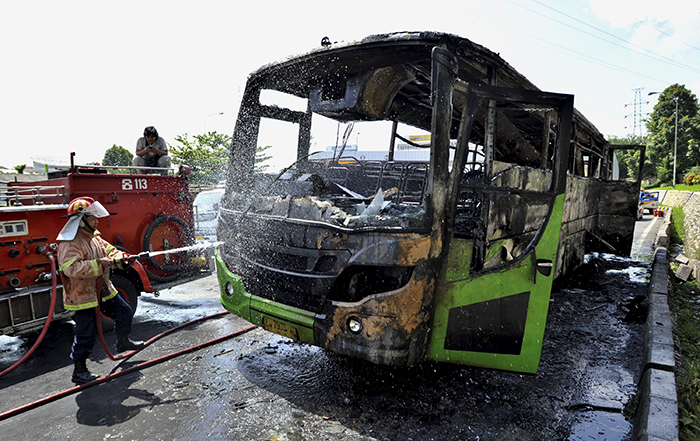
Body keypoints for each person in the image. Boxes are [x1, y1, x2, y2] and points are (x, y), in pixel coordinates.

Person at [57, 197, 145, 384]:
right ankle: (79, 371)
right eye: (92, 218)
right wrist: (99, 264)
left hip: (103, 291)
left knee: (124, 311)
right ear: (80, 220)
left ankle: (123, 342)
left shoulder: (94, 236)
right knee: (86, 336)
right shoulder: (69, 243)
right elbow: (71, 269)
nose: (97, 221)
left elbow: (110, 251)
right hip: (82, 297)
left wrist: (123, 257)